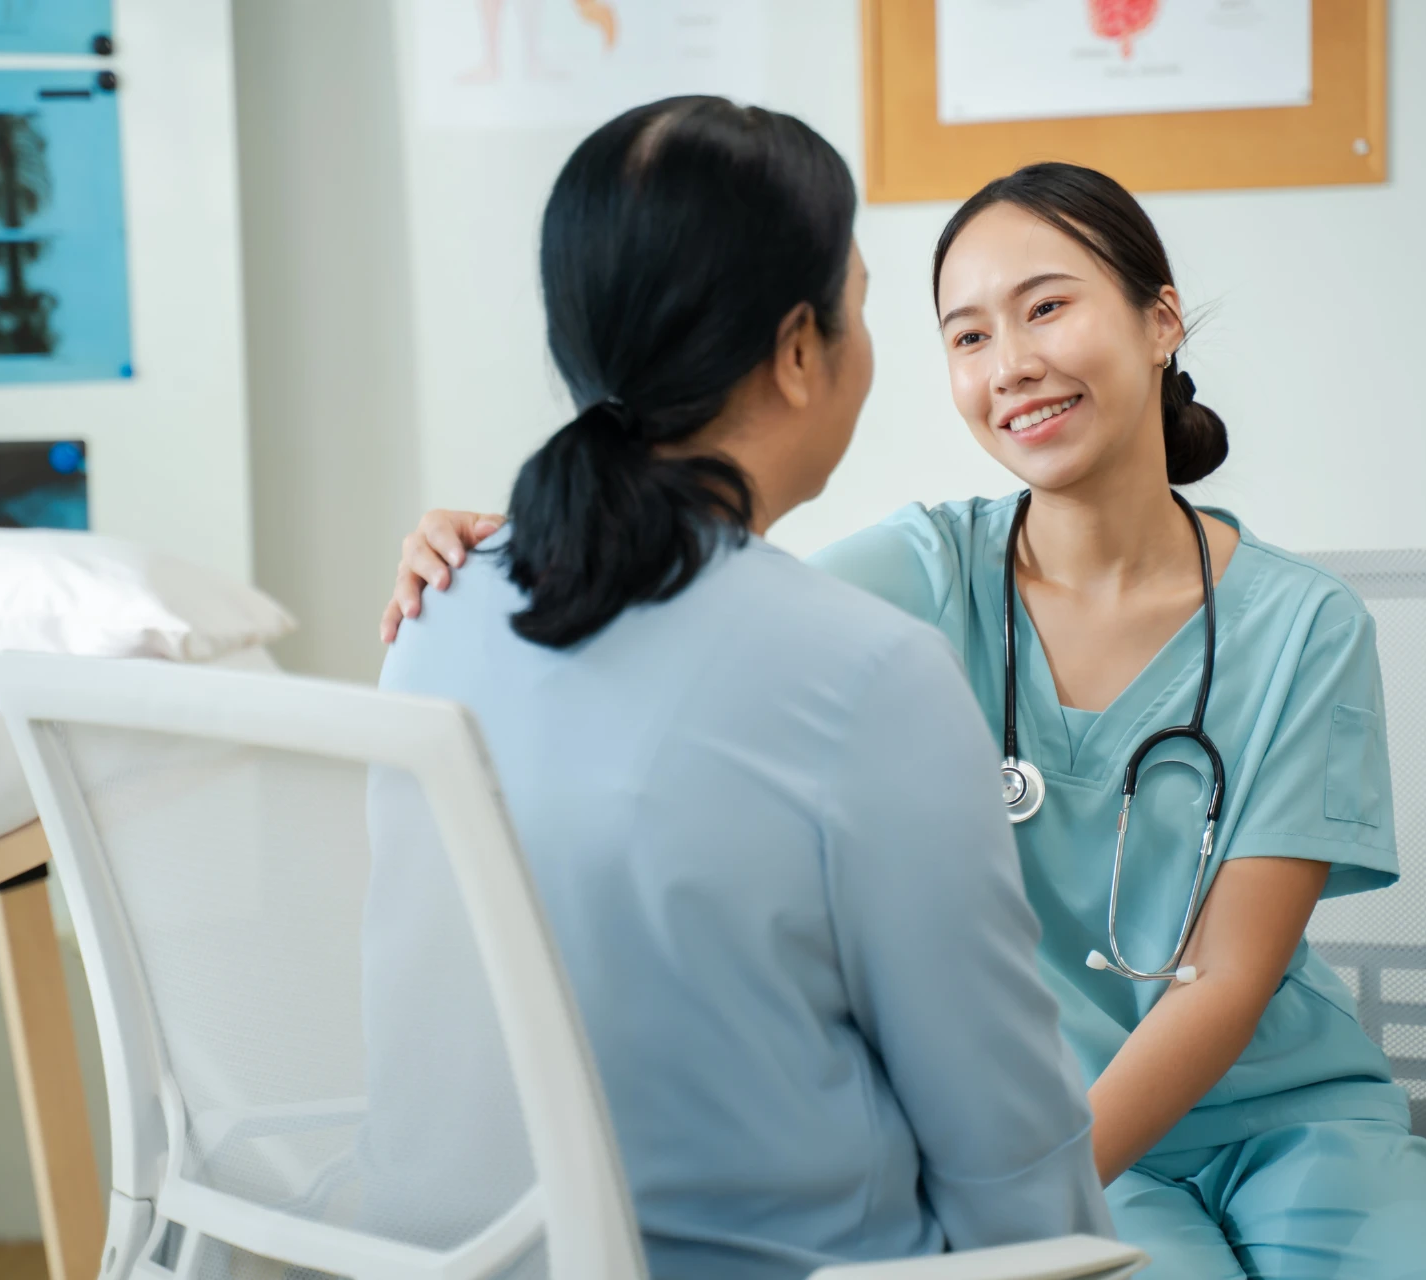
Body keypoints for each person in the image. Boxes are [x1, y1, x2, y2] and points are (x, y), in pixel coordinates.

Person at [381, 162, 1426, 1279]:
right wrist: (504, 547)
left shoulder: (1305, 623)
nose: (1011, 364)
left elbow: (1225, 981)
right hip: (1053, 1134)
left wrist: (1033, 1193)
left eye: (1047, 306)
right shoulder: (914, 574)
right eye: (966, 336)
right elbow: (700, 609)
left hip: (1291, 1119)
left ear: (1160, 318)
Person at [371, 100, 1110, 1279]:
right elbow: (1011, 1159)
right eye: (862, 306)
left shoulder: (434, 611)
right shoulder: (872, 676)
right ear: (799, 350)